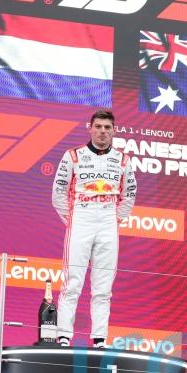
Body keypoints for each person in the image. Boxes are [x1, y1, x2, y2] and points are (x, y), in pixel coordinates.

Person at [52, 109, 136, 348]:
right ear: (90, 128)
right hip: (81, 216)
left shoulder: (123, 160)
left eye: (107, 128)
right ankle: (64, 336)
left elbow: (129, 195)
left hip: (108, 219)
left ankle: (99, 338)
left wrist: (113, 219)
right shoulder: (73, 156)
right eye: (98, 127)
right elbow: (58, 193)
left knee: (103, 285)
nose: (102, 132)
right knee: (72, 282)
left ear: (114, 131)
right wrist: (74, 220)